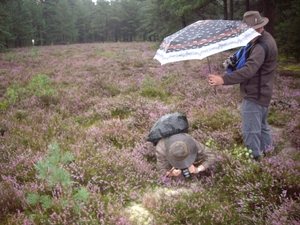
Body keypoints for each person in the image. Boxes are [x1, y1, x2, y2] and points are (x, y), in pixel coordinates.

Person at [208, 11, 278, 161]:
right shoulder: (261, 40)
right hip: (262, 94)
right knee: (262, 128)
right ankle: (271, 158)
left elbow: (248, 70)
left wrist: (223, 79)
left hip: (255, 96)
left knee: (250, 131)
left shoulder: (261, 46)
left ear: (258, 28)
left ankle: (256, 163)